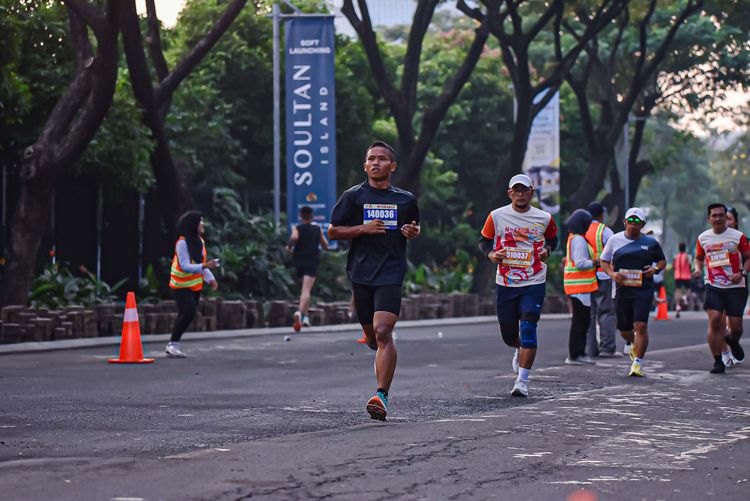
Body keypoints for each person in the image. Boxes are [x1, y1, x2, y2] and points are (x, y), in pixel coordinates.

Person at [328, 141, 420, 420]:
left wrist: (412, 232)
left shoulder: (406, 200)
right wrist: (362, 229)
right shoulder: (353, 197)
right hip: (361, 273)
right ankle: (378, 346)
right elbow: (333, 231)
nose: (376, 163)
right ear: (365, 165)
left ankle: (381, 396)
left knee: (383, 330)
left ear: (393, 166)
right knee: (371, 336)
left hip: (391, 272)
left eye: (381, 159)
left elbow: (413, 227)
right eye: (371, 159)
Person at [479, 173, 558, 397]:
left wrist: (547, 250)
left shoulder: (544, 218)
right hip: (506, 282)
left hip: (534, 280)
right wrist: (492, 255)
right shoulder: (496, 216)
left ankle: (522, 381)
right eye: (516, 190)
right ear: (510, 193)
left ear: (531, 193)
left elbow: (553, 239)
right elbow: (484, 241)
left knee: (529, 327)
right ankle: (518, 347)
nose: (520, 194)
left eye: (524, 190)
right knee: (508, 334)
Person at [600, 208, 666, 377]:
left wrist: (655, 269)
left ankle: (637, 363)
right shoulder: (614, 240)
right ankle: (632, 342)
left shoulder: (651, 243)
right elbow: (604, 261)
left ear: (642, 224)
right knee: (624, 330)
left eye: (637, 221)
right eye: (630, 220)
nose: (633, 224)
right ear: (624, 222)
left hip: (643, 290)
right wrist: (612, 274)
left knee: (641, 325)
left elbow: (662, 261)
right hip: (621, 290)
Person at [693, 203, 750, 374]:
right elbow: (699, 258)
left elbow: (748, 258)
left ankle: (732, 341)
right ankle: (718, 361)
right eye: (714, 215)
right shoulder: (703, 238)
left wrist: (742, 272)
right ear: (709, 218)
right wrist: (697, 269)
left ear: (726, 217)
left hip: (735, 286)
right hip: (713, 285)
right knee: (715, 319)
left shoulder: (738, 237)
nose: (718, 218)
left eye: (721, 215)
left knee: (736, 327)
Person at [167, 211, 219, 358]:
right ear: (193, 224)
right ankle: (173, 344)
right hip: (179, 284)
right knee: (189, 312)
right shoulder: (182, 243)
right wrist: (206, 266)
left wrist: (210, 279)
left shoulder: (200, 242)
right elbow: (184, 266)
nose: (203, 224)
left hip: (194, 285)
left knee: (186, 314)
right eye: (200, 221)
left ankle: (173, 344)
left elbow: (200, 263)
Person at [563, 209, 598, 365]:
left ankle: (579, 353)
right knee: (581, 321)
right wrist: (595, 262)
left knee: (582, 320)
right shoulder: (579, 240)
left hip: (579, 287)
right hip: (579, 287)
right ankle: (576, 354)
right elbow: (580, 263)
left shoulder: (574, 238)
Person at [287, 206, 329, 332]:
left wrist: (289, 247)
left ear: (301, 216)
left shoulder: (297, 228)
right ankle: (299, 313)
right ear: (312, 216)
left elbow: (294, 238)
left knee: (305, 290)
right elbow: (325, 245)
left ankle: (306, 318)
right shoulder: (317, 229)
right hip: (312, 261)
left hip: (299, 261)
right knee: (306, 290)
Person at [584, 201, 618, 357]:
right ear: (601, 214)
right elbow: (615, 252)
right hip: (603, 275)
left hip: (587, 276)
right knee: (606, 312)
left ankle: (590, 349)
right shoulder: (605, 231)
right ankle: (607, 348)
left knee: (590, 314)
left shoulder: (583, 230)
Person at [673, 242, 692, 318]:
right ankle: (685, 297)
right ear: (685, 248)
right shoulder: (687, 256)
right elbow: (690, 266)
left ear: (679, 248)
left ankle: (678, 306)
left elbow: (673, 267)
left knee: (677, 291)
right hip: (686, 276)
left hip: (677, 276)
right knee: (688, 289)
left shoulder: (676, 257)